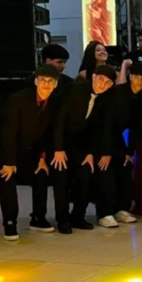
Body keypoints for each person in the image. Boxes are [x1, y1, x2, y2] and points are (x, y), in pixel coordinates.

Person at [52, 65, 116, 234]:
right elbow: (59, 120)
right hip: (60, 142)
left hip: (81, 145)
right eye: (101, 79)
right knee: (62, 180)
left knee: (85, 176)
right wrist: (58, 149)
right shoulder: (75, 89)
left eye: (108, 82)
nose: (103, 84)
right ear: (93, 76)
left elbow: (97, 128)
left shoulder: (105, 98)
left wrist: (90, 152)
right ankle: (62, 220)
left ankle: (78, 216)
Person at [0, 65, 60, 240]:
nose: (46, 84)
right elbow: (9, 132)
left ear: (55, 84)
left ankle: (38, 218)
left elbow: (47, 132)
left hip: (32, 149)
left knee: (41, 173)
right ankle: (10, 222)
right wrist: (9, 162)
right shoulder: (18, 99)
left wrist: (42, 157)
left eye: (50, 81)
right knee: (7, 177)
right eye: (42, 80)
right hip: (8, 148)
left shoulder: (54, 101)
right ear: (36, 81)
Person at [101, 61, 142, 225]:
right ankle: (105, 212)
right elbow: (106, 123)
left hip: (123, 139)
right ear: (130, 77)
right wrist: (106, 151)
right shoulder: (116, 92)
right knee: (107, 173)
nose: (140, 82)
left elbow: (137, 127)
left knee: (125, 170)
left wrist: (129, 151)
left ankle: (121, 209)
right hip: (104, 137)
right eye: (136, 77)